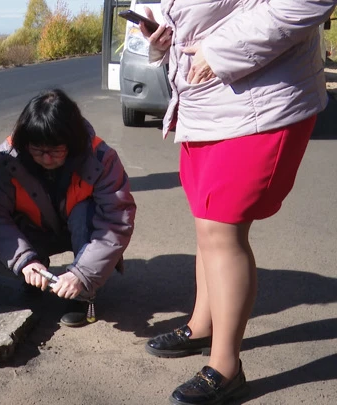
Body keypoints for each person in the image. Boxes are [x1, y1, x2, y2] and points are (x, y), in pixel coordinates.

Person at [139, 1, 336, 404]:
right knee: (206, 221)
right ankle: (203, 324)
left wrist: (221, 50)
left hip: (261, 100)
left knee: (221, 227)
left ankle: (226, 368)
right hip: (204, 100)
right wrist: (158, 31)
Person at [0, 89, 136, 327]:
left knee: (84, 213)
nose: (47, 159)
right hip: (37, 229)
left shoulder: (101, 158)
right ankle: (34, 273)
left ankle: (83, 294)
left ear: (73, 141)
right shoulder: (9, 158)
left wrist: (82, 275)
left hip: (81, 230)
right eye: (38, 150)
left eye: (56, 150)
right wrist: (25, 261)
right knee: (12, 254)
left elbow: (116, 221)